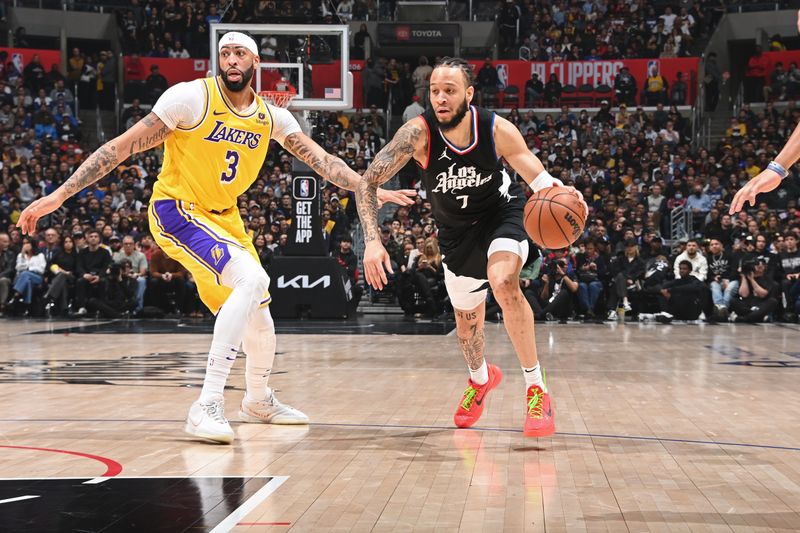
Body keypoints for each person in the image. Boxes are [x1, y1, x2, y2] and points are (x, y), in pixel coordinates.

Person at [17, 32, 414, 445]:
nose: (231, 60)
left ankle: (258, 400)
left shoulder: (271, 117)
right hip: (177, 209)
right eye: (224, 53)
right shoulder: (190, 98)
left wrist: (369, 187)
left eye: (240, 53)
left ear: (255, 62)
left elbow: (324, 162)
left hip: (226, 220)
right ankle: (206, 403)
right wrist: (58, 196)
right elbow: (118, 149)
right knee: (253, 280)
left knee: (260, 315)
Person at [357, 57, 586, 438]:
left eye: (449, 91)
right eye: (434, 91)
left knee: (503, 282)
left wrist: (561, 190)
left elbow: (537, 176)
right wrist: (371, 241)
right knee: (467, 327)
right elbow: (367, 182)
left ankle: (536, 389)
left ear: (469, 93)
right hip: (455, 236)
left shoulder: (496, 128)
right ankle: (480, 380)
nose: (441, 99)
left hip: (502, 215)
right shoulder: (416, 134)